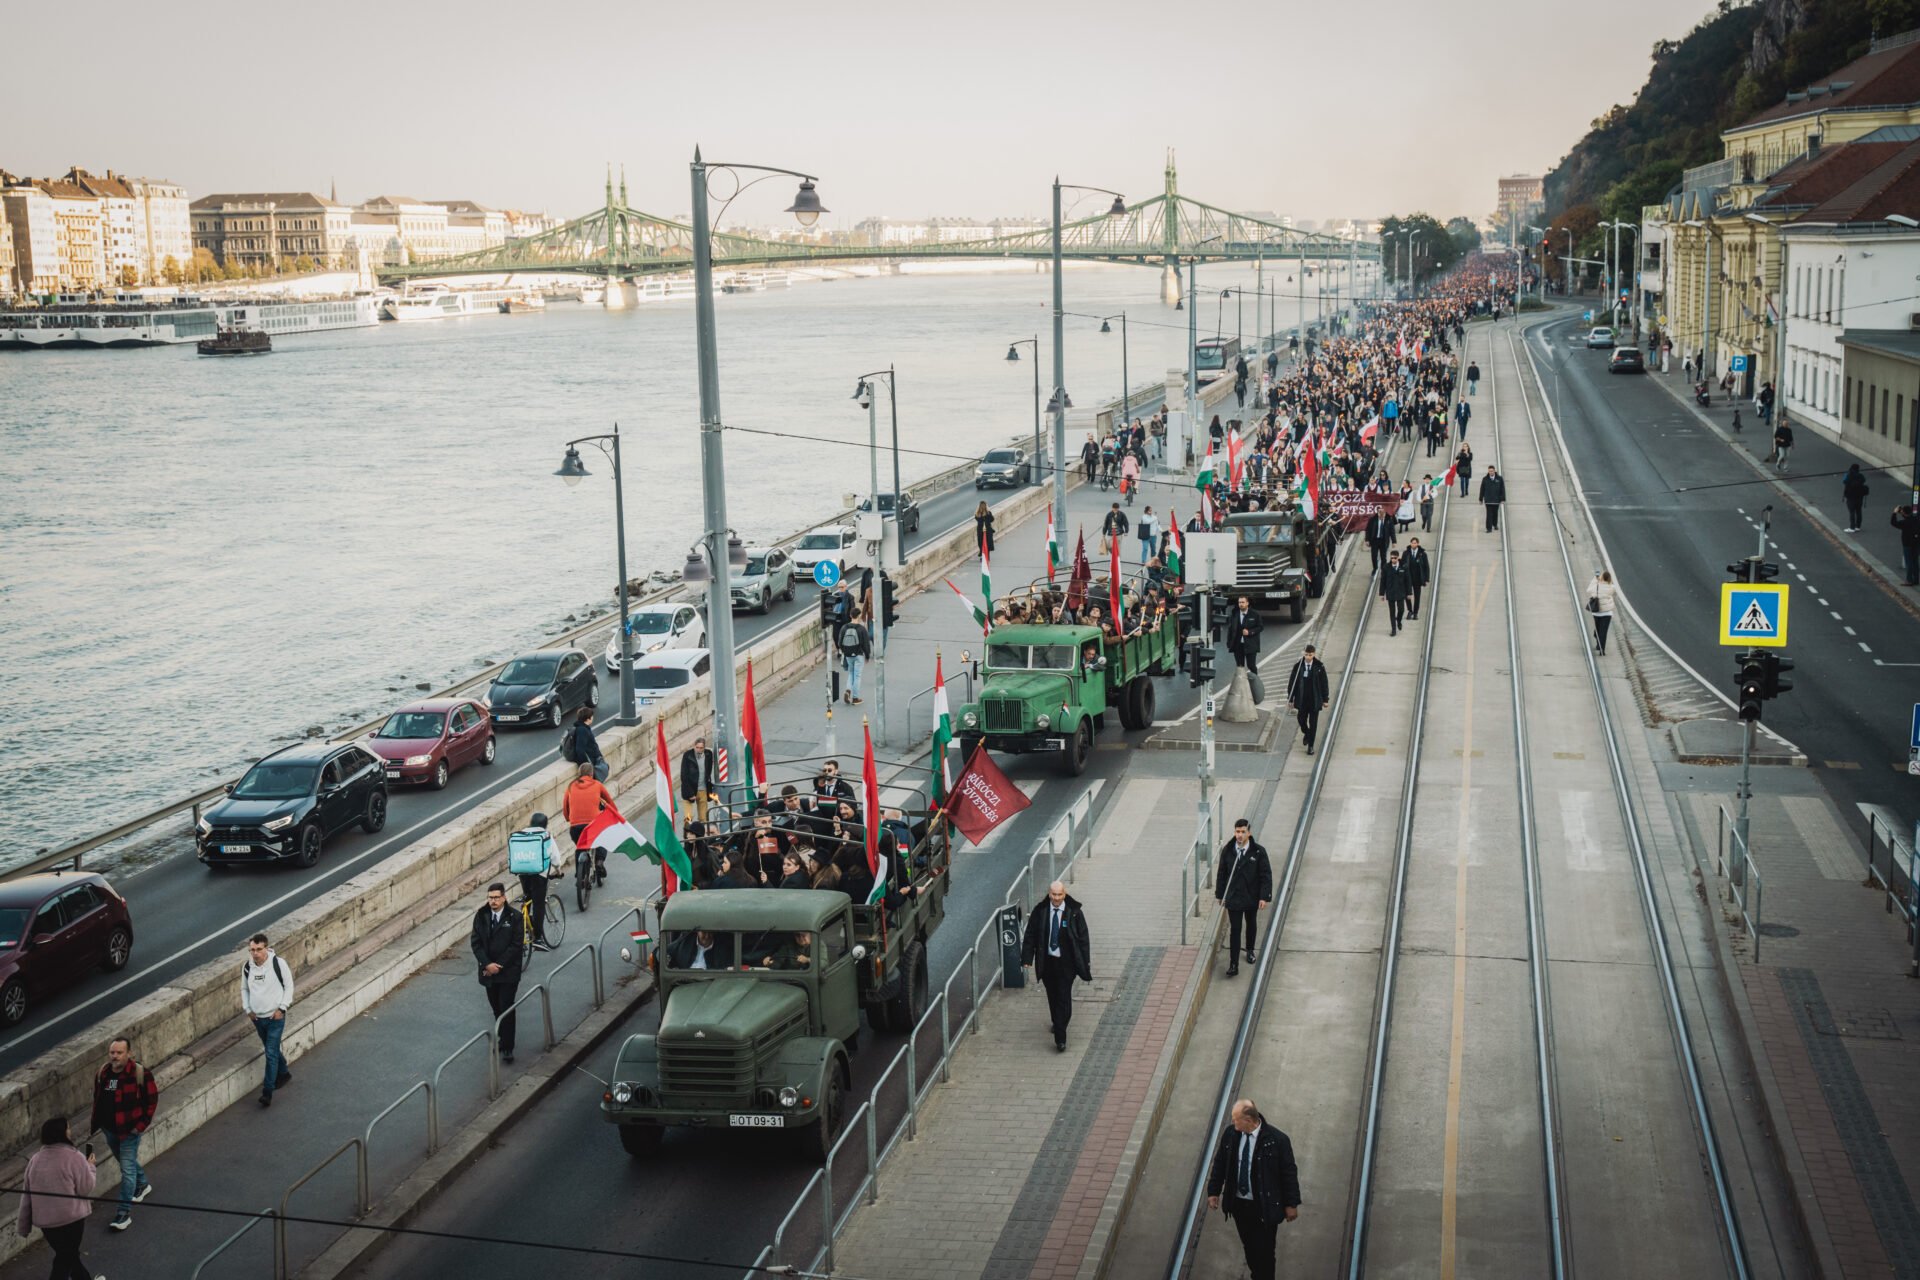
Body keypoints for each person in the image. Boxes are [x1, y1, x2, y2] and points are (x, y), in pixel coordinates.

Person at [1205, 1099, 1301, 1280]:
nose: (1233, 1123)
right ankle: (1258, 1274)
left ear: (1248, 1120)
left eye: (1236, 1119)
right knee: (1249, 1247)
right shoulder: (1231, 1135)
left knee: (1265, 1250)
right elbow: (1220, 1163)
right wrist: (1213, 1191)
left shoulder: (1277, 1140)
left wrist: (1291, 1203)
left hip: (1264, 1205)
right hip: (1240, 1205)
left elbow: (1288, 1173)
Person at [18, 1117, 98, 1280]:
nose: (70, 1131)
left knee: (68, 1255)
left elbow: (27, 1196)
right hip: (72, 1220)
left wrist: (23, 1225)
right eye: (68, 1128)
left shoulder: (35, 1160)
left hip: (47, 1224)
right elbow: (85, 1188)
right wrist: (91, 1167)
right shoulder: (74, 1157)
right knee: (65, 1259)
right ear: (62, 1133)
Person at [91, 1035, 157, 1232]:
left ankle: (123, 1213)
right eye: (112, 1052)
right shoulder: (103, 1072)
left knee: (126, 1169)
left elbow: (151, 1101)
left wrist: (140, 1126)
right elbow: (98, 1098)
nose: (115, 1056)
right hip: (110, 1129)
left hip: (129, 1131)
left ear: (129, 1053)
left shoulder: (140, 1073)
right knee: (124, 1161)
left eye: (119, 1052)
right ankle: (143, 1184)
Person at [1020, 880, 1091, 1051]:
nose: (1056, 898)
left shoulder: (1074, 912)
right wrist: (1027, 958)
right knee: (1052, 996)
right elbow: (1030, 935)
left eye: (1059, 895)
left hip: (1067, 964)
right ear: (1049, 894)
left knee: (1063, 998)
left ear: (1064, 894)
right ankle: (1057, 1021)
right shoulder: (1041, 911)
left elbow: (1083, 939)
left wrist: (1085, 961)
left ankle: (1061, 1037)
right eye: (1054, 894)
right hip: (1048, 962)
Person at [472, 883, 526, 1063]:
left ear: (504, 897)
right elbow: (476, 942)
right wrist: (487, 964)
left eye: (496, 897)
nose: (493, 901)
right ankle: (502, 1036)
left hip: (508, 972)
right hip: (488, 971)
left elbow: (516, 945)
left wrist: (500, 965)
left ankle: (507, 1046)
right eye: (490, 897)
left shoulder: (515, 917)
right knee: (496, 1007)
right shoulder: (481, 915)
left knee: (506, 1007)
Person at [241, 933, 294, 1107]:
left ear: (266, 948)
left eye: (258, 949)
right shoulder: (248, 967)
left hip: (275, 1017)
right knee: (271, 1049)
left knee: (270, 1053)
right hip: (258, 1018)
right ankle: (284, 1072)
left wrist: (282, 1008)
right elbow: (244, 989)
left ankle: (267, 1091)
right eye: (252, 950)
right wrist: (248, 1009)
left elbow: (289, 986)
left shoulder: (278, 964)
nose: (255, 953)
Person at [1215, 820, 1272, 977]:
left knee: (1251, 923)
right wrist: (1220, 894)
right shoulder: (1228, 850)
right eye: (1237, 831)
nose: (1239, 835)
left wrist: (1264, 896)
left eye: (1242, 832)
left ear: (1249, 833)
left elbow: (1265, 875)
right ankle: (1233, 964)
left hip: (1251, 896)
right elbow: (1221, 874)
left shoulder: (1258, 852)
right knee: (1235, 929)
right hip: (1234, 897)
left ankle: (1250, 949)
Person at [563, 763, 616, 886]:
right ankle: (599, 861)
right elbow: (610, 803)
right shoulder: (598, 785)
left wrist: (568, 818)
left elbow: (565, 807)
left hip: (575, 827)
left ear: (579, 774)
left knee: (580, 847)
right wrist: (614, 814)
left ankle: (580, 876)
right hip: (593, 825)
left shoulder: (570, 786)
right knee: (603, 839)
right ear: (592, 774)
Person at [508, 812, 558, 946]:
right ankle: (538, 938)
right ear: (545, 824)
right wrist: (558, 870)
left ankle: (525, 921)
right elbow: (555, 858)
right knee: (539, 904)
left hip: (522, 871)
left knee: (527, 896)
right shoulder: (546, 835)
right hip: (539, 874)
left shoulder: (520, 834)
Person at [1286, 644, 1331, 755]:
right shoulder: (1298, 666)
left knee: (1313, 723)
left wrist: (1325, 699)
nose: (1308, 657)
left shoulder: (1319, 666)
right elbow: (1292, 683)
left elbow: (1324, 683)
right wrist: (1290, 698)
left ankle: (1310, 746)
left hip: (1315, 699)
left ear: (1314, 654)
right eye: (1306, 655)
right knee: (1301, 719)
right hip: (1302, 699)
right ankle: (1307, 732)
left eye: (1310, 655)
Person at [837, 606, 871, 706]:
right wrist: (867, 656)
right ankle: (855, 698)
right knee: (857, 676)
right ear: (859, 616)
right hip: (859, 655)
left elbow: (839, 642)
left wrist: (844, 651)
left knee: (851, 673)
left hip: (848, 654)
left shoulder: (844, 627)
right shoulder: (861, 629)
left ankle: (848, 690)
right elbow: (866, 644)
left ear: (850, 615)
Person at [679, 737, 717, 816]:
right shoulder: (687, 755)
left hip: (703, 790)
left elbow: (709, 771)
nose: (699, 750)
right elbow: (684, 776)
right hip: (690, 790)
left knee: (703, 817)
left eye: (701, 748)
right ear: (694, 746)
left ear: (704, 747)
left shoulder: (708, 754)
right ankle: (687, 828)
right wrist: (690, 793)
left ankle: (703, 828)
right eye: (697, 747)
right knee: (688, 817)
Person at [568, 707, 607, 782]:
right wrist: (587, 766)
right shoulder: (582, 730)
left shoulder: (582, 728)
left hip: (592, 761)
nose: (593, 718)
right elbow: (580, 749)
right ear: (588, 719)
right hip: (590, 763)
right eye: (592, 716)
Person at [1226, 595, 1263, 672]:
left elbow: (1260, 627)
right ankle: (1242, 683)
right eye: (1239, 602)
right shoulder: (1234, 614)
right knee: (1240, 667)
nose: (1241, 604)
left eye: (1243, 602)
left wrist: (1249, 632)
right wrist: (1229, 643)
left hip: (1251, 644)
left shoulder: (1255, 614)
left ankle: (1254, 682)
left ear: (1247, 603)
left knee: (1251, 666)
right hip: (1238, 645)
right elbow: (1230, 629)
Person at [1587, 568, 1617, 655]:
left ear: (1601, 577)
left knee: (1598, 629)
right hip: (1607, 613)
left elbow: (1588, 590)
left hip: (1597, 612)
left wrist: (1595, 579)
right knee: (1603, 631)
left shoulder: (1596, 586)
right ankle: (1601, 649)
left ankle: (1599, 644)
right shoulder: (1612, 587)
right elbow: (1611, 587)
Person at [1380, 550, 1410, 635]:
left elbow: (1408, 580)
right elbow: (1383, 581)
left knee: (1401, 609)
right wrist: (1382, 594)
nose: (1393, 559)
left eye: (1395, 558)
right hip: (1391, 593)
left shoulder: (1403, 567)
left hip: (1400, 592)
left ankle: (1399, 621)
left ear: (1398, 558)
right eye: (1392, 558)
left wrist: (1409, 593)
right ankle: (1393, 629)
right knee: (1392, 612)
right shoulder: (1386, 567)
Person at [1403, 537, 1430, 620]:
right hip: (1408, 578)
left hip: (1418, 578)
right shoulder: (1406, 553)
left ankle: (1415, 613)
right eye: (1412, 543)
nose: (1413, 544)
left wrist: (1426, 578)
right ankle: (1410, 610)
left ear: (1418, 544)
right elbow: (1402, 564)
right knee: (1407, 595)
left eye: (1415, 543)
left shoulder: (1422, 554)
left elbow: (1426, 566)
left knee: (1417, 596)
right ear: (1410, 543)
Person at [1894, 504, 1920, 586]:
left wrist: (1894, 513)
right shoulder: (1916, 519)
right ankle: (1916, 579)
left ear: (1904, 513)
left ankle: (1909, 580)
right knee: (1915, 561)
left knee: (1909, 562)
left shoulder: (1904, 522)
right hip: (1916, 543)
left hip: (1907, 544)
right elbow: (1907, 516)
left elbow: (1893, 523)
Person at [1478, 465, 1506, 532]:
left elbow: (1502, 489)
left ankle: (1495, 524)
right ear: (1488, 471)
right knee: (1489, 514)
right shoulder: (1485, 479)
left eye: (1492, 471)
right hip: (1488, 500)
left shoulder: (1499, 479)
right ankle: (1489, 528)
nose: (1490, 472)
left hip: (1496, 500)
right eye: (1489, 471)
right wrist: (1480, 499)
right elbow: (1482, 489)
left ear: (1494, 471)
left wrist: (1502, 499)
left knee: (1495, 513)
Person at [1842, 465, 1869, 532]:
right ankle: (1858, 526)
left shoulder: (1848, 475)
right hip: (1859, 496)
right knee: (1859, 511)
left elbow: (1844, 482)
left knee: (1852, 512)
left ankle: (1852, 527)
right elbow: (1864, 480)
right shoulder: (1861, 476)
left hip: (1851, 497)